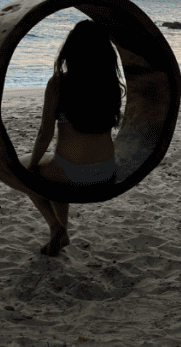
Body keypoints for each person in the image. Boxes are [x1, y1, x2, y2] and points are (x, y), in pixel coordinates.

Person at [19, 19, 125, 256]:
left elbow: (45, 133)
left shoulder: (59, 84)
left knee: (23, 169)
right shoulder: (110, 84)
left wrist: (32, 166)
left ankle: (56, 227)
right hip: (107, 172)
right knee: (55, 169)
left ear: (71, 50)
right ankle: (61, 234)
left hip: (71, 173)